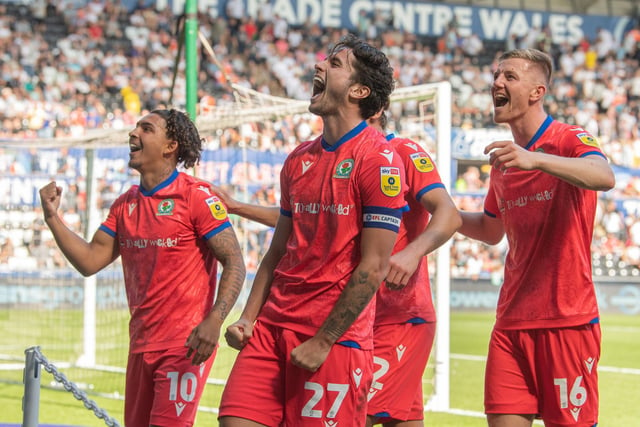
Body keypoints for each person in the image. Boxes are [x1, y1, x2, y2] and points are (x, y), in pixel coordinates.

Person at [219, 33, 406, 426]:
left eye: (334, 64)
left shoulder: (379, 160)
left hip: (333, 339)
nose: (318, 65)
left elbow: (373, 267)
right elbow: (277, 251)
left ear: (359, 90)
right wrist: (248, 317)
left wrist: (324, 340)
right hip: (270, 329)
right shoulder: (297, 159)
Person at [38, 108, 246, 427]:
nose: (133, 133)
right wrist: (53, 218)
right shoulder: (124, 204)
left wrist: (214, 320)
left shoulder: (196, 197)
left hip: (184, 345)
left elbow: (235, 261)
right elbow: (91, 260)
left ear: (170, 146)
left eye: (146, 128)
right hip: (140, 345)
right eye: (135, 127)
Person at [456, 48, 615, 427]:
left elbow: (604, 176)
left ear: (536, 92)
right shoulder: (504, 164)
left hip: (566, 321)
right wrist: (441, 210)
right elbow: (491, 230)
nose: (496, 82)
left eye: (509, 76)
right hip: (510, 323)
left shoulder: (567, 138)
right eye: (497, 75)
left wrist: (536, 159)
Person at [366, 112, 461, 427]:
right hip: (357, 315)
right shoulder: (344, 157)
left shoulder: (404, 151)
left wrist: (412, 252)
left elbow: (449, 212)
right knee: (403, 420)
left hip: (398, 316)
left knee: (347, 416)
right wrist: (241, 207)